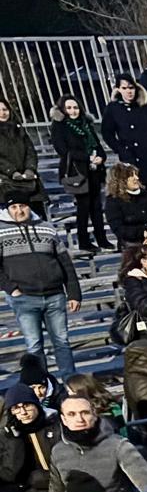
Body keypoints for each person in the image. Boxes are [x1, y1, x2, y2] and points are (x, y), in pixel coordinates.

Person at [0, 191, 82, 376]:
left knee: (62, 342)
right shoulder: (1, 231)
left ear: (29, 207)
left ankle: (71, 384)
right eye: (14, 207)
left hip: (55, 296)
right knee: (34, 345)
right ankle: (42, 385)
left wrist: (74, 293)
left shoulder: (47, 228)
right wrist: (11, 289)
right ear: (7, 209)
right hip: (24, 298)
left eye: (23, 206)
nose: (19, 211)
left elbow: (65, 263)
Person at [48, 95, 110, 254]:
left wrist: (101, 157)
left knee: (97, 207)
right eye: (69, 108)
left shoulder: (86, 123)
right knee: (84, 207)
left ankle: (102, 238)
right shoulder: (59, 126)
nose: (73, 111)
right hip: (77, 171)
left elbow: (98, 144)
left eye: (75, 107)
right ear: (62, 110)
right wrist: (87, 157)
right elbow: (63, 150)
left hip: (94, 170)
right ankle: (84, 241)